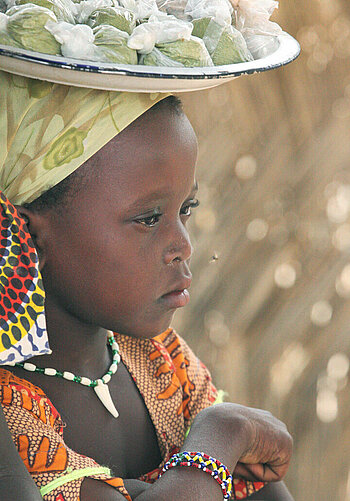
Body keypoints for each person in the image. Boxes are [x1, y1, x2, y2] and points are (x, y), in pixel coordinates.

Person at [0, 70, 294, 500]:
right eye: (148, 219)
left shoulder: (160, 362)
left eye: (186, 208)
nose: (183, 246)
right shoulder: (13, 411)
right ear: (30, 235)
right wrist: (222, 436)